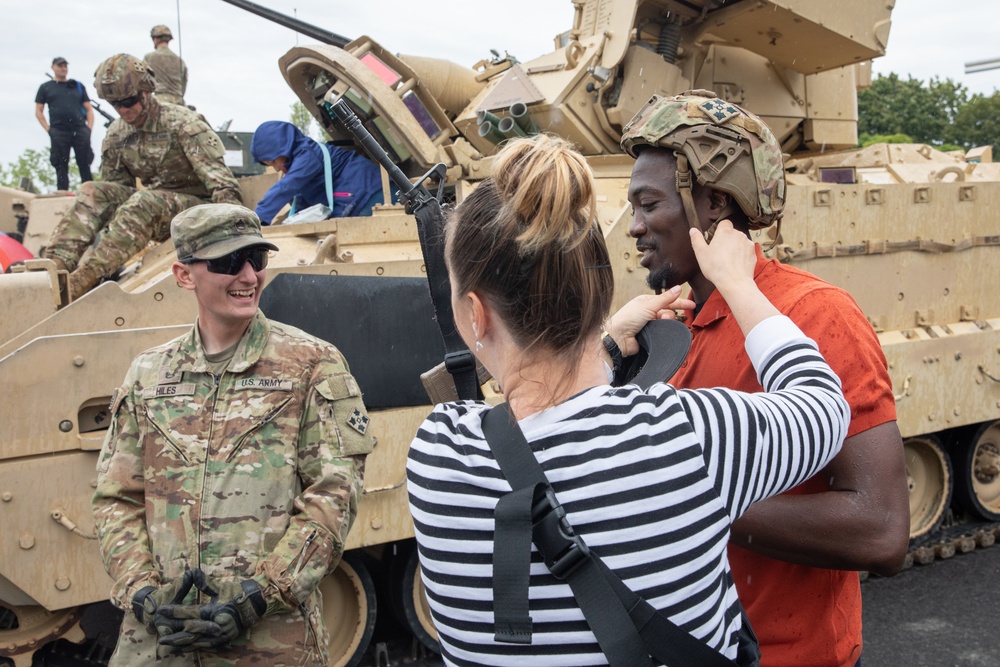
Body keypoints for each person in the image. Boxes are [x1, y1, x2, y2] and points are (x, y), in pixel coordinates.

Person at [405, 134, 851, 666]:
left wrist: (607, 344)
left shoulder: (437, 453)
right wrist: (738, 281)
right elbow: (823, 405)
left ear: (475, 314)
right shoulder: (687, 436)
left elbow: (537, 412)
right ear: (597, 288)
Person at [611, 91, 910, 667]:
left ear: (715, 203)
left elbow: (881, 529)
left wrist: (678, 496)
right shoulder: (671, 326)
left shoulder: (817, 315)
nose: (635, 227)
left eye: (649, 205)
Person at [92, 203, 375, 665]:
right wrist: (142, 593)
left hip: (270, 640)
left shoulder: (311, 364)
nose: (248, 276)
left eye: (256, 260)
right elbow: (116, 498)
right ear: (185, 276)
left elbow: (334, 494)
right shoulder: (148, 374)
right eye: (228, 263)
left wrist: (257, 597)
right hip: (160, 641)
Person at [42, 53, 242, 299]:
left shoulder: (183, 124)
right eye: (116, 104)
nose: (123, 109)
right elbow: (113, 195)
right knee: (92, 191)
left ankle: (81, 283)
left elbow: (225, 189)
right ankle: (51, 271)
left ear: (147, 91)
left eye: (129, 100)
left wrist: (232, 244)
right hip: (154, 213)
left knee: (143, 202)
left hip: (199, 213)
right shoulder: (117, 134)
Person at [250, 120, 383, 224]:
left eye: (273, 161)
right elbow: (302, 204)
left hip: (370, 192)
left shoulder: (308, 155)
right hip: (359, 194)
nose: (277, 168)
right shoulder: (298, 161)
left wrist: (258, 217)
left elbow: (287, 186)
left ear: (283, 147)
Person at [35, 56, 94, 191]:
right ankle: (62, 195)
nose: (63, 68)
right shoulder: (45, 87)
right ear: (53, 67)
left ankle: (90, 194)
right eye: (60, 66)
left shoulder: (77, 86)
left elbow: (89, 109)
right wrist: (49, 130)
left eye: (65, 66)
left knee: (85, 164)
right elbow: (39, 111)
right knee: (61, 166)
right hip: (59, 131)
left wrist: (88, 129)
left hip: (79, 130)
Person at [144, 25, 188, 106]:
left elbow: (143, 81)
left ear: (156, 39)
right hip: (180, 104)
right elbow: (184, 85)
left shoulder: (149, 57)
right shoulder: (180, 61)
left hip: (160, 102)